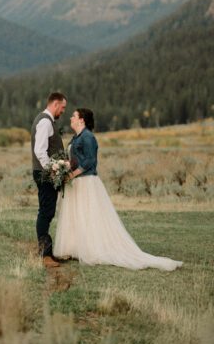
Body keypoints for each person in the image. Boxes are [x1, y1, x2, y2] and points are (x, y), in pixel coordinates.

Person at [54, 107, 182, 271]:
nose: (70, 118)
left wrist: (72, 175)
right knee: (75, 215)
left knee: (88, 215)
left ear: (82, 120)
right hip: (75, 183)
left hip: (86, 182)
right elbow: (73, 159)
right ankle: (73, 247)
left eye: (74, 116)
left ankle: (93, 249)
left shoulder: (88, 137)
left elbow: (90, 161)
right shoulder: (75, 138)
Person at [32, 91, 67, 268]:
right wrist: (52, 169)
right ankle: (44, 255)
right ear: (55, 104)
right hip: (44, 174)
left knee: (48, 211)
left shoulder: (46, 121)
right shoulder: (45, 122)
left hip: (44, 173)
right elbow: (40, 151)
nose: (63, 111)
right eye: (62, 107)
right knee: (46, 212)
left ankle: (47, 252)